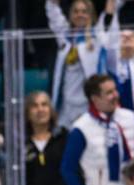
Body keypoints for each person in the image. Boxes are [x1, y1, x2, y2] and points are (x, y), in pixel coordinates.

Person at [61, 74, 134, 185]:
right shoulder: (81, 128)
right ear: (95, 98)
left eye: (115, 90)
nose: (115, 95)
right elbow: (67, 169)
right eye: (109, 92)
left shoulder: (131, 118)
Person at [45, 0, 108, 131]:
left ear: (91, 15)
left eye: (84, 11)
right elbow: (53, 13)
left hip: (87, 102)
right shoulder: (65, 37)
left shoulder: (97, 37)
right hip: (66, 103)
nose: (80, 15)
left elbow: (110, 14)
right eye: (76, 11)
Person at [25, 90, 71, 185]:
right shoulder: (21, 145)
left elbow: (75, 173)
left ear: (51, 110)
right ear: (27, 113)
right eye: (34, 106)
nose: (40, 109)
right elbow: (16, 182)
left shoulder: (64, 137)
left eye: (44, 104)